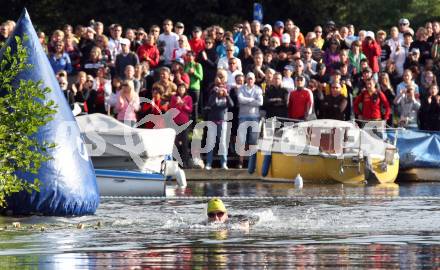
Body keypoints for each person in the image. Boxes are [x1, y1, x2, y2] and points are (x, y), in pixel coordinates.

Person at [170, 83, 193, 168]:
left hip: (185, 123)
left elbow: (190, 110)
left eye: (183, 88)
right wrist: (177, 103)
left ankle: (185, 162)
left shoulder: (188, 98)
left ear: (185, 89)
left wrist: (184, 105)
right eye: (179, 88)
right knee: (175, 143)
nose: (181, 90)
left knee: (185, 142)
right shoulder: (173, 97)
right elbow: (171, 108)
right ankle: (175, 162)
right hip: (175, 122)